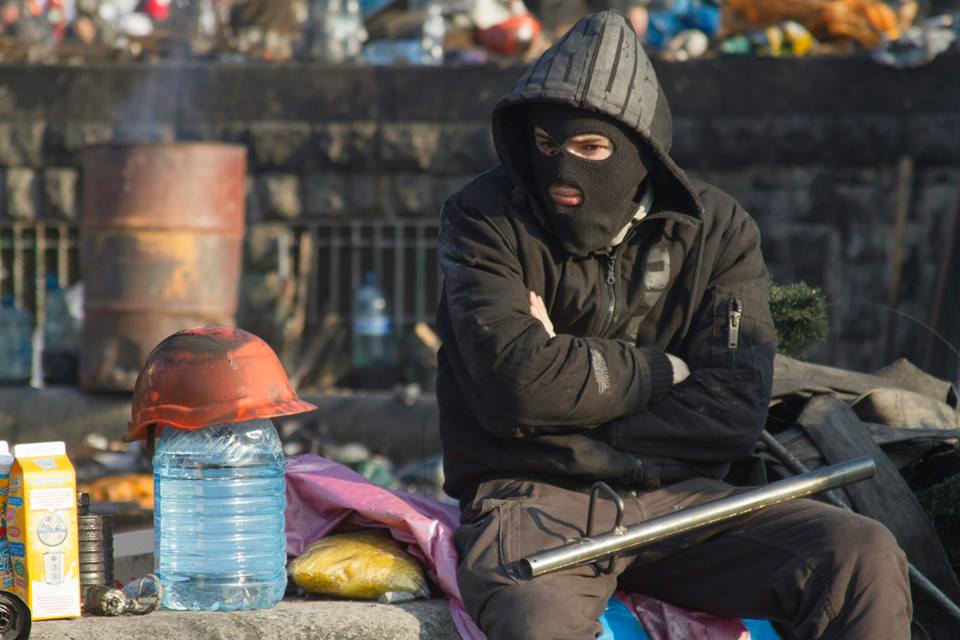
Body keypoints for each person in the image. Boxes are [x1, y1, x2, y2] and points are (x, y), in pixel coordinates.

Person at [435, 10, 911, 639]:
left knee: (860, 557)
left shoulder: (717, 230)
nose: (562, 172)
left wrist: (562, 392)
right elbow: (518, 385)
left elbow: (733, 410)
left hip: (688, 499)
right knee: (535, 620)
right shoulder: (485, 218)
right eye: (547, 146)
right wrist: (665, 371)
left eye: (590, 149)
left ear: (640, 150)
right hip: (534, 502)